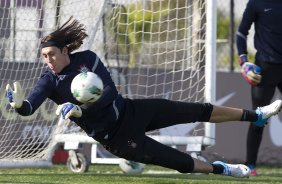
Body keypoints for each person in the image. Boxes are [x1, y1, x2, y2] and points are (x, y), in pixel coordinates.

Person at [6, 16, 282, 178]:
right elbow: (30, 107)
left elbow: (108, 94)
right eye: (44, 57)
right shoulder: (49, 81)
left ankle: (256, 115)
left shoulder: (87, 59)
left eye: (51, 54)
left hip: (131, 111)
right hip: (115, 137)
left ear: (66, 50)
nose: (48, 61)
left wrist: (80, 109)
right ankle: (224, 169)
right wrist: (19, 106)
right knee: (179, 162)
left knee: (196, 109)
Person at [236, 0, 282, 176]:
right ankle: (251, 166)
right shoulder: (256, 3)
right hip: (265, 68)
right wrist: (243, 61)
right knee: (259, 117)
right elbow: (241, 32)